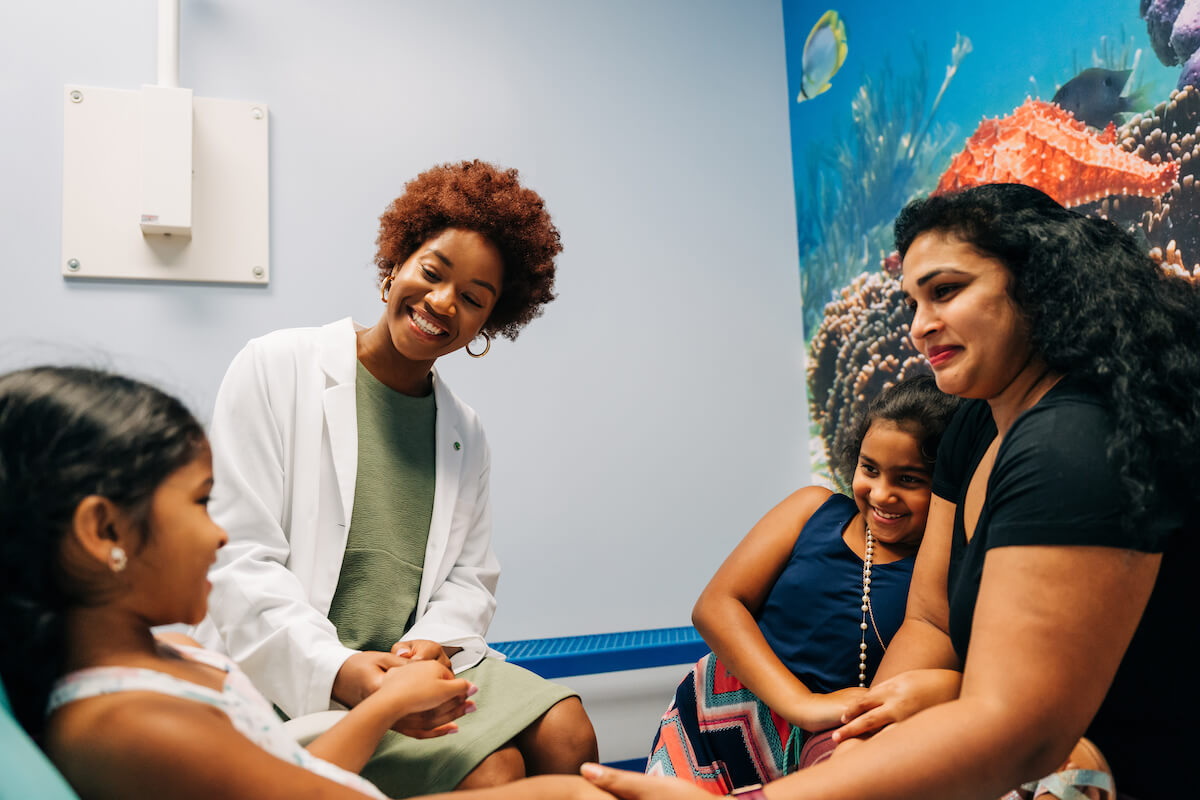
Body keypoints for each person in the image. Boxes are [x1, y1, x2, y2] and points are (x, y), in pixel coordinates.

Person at [578, 183, 1198, 800]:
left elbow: (1023, 731)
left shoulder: (1074, 440)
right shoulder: (974, 425)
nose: (921, 327)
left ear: (1036, 282)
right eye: (912, 303)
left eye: (947, 291)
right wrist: (854, 746)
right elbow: (928, 620)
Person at [0, 366, 610, 800]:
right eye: (202, 502)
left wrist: (390, 702)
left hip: (383, 686)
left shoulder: (175, 657)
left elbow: (292, 771)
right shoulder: (134, 728)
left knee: (563, 729)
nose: (220, 536)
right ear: (105, 531)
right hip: (327, 679)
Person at [191, 160, 597, 797]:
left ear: (488, 324)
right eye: (432, 273)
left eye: (472, 298)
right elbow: (237, 556)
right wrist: (347, 671)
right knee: (497, 770)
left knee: (569, 732)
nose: (442, 302)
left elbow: (469, 578)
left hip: (410, 658)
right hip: (294, 663)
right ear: (395, 265)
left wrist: (429, 649)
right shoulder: (276, 368)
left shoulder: (465, 431)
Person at [645, 376, 958, 793]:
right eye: (870, 469)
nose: (881, 494)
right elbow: (716, 605)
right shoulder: (812, 509)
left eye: (909, 479)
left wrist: (820, 719)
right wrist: (803, 705)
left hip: (833, 744)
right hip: (715, 718)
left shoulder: (943, 574)